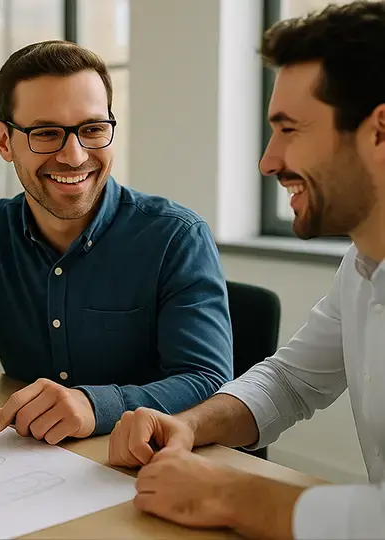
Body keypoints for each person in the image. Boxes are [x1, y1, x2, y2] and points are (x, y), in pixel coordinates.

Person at [108, 2, 385, 539]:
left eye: (290, 129)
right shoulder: (362, 264)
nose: (268, 161)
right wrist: (187, 425)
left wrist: (232, 494)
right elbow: (290, 381)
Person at [0, 40, 233, 445]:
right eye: (46, 133)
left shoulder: (176, 237)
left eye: (93, 129)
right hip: (28, 464)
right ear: (4, 141)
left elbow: (208, 382)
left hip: (145, 465)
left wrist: (95, 406)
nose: (75, 156)